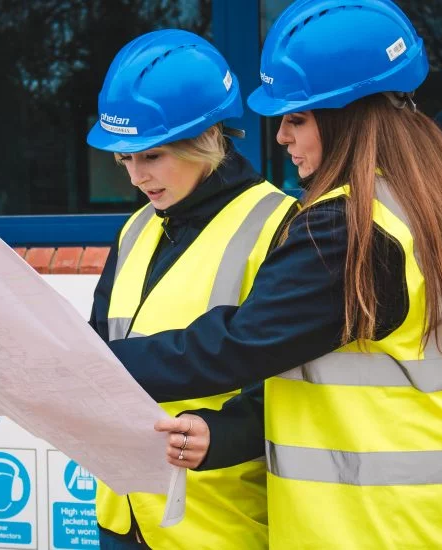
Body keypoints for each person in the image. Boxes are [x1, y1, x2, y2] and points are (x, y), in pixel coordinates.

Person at [107, 1, 442, 548]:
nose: (281, 137)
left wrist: (82, 367)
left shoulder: (350, 230)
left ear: (344, 116)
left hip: (378, 528)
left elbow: (236, 345)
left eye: (296, 118)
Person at [85, 29, 297, 549]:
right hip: (122, 517)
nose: (136, 177)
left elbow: (303, 385)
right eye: (125, 159)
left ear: (205, 140)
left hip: (217, 522)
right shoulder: (136, 228)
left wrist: (227, 436)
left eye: (152, 156)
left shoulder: (282, 224)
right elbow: (96, 353)